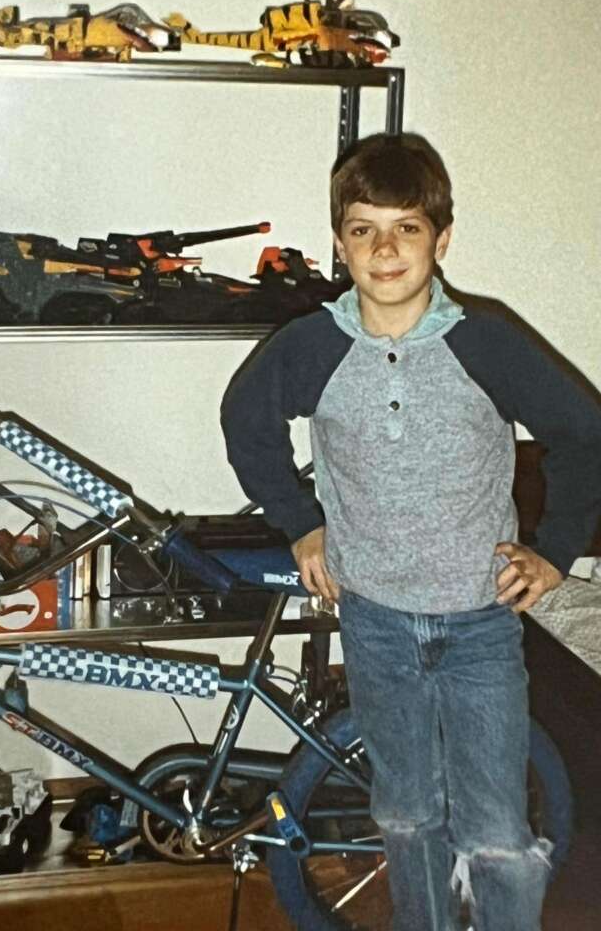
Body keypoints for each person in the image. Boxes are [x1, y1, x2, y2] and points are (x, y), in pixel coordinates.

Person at [220, 132, 601, 931]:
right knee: (405, 816)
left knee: (496, 831)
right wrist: (300, 523)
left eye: (407, 229)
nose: (385, 249)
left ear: (442, 238)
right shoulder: (313, 346)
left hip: (480, 625)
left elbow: (581, 431)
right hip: (377, 621)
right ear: (339, 242)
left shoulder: (483, 339)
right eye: (363, 229)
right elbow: (246, 420)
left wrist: (556, 552)